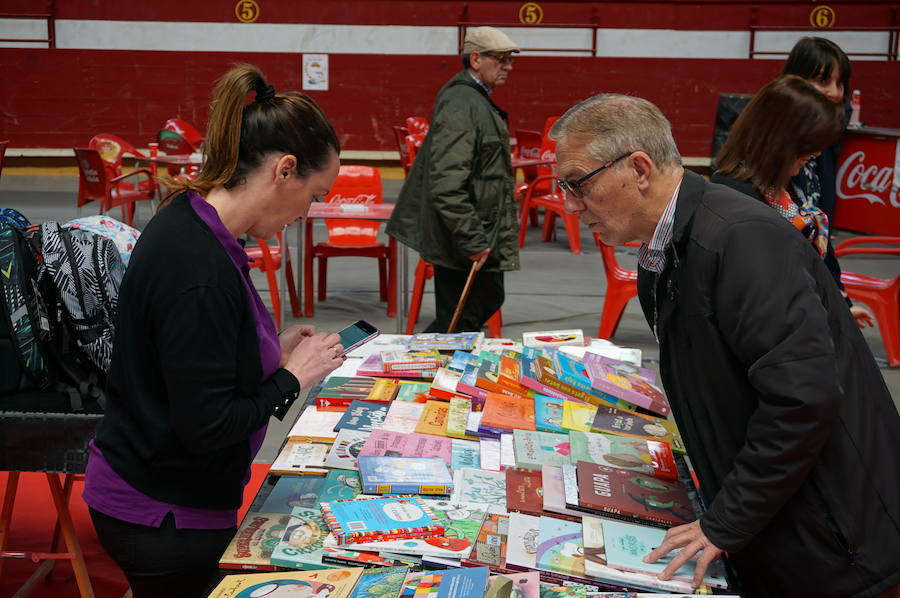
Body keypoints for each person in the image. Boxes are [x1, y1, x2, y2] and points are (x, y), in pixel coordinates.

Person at [551, 93, 900, 597]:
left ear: (640, 168)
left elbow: (803, 400)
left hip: (838, 543)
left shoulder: (742, 241)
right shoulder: (663, 249)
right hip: (775, 523)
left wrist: (725, 523)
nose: (570, 204)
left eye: (578, 184)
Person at [83, 64, 345, 598]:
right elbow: (205, 426)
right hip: (163, 513)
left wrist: (268, 351)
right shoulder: (196, 269)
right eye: (315, 195)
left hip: (166, 492)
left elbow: (195, 360)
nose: (307, 212)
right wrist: (292, 378)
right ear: (285, 169)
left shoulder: (198, 221)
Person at [712, 74, 875, 329]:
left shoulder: (787, 184)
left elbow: (816, 262)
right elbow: (754, 293)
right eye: (809, 146)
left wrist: (839, 306)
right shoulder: (734, 197)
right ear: (779, 140)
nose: (816, 154)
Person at [385, 26, 521, 332]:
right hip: (461, 236)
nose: (508, 66)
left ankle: (426, 366)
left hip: (472, 230)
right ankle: (416, 366)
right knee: (459, 321)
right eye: (500, 59)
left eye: (510, 59)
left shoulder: (474, 100)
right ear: (476, 59)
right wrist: (472, 239)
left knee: (476, 307)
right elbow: (446, 183)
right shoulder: (462, 103)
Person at [783, 36, 852, 222]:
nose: (835, 92)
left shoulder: (826, 131)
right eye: (823, 81)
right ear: (794, 81)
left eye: (840, 84)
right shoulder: (776, 138)